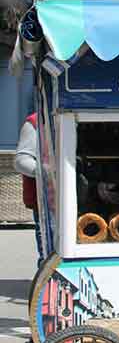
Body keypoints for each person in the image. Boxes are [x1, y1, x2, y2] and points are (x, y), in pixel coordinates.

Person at [15, 112, 43, 265]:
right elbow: (21, 161)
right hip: (45, 200)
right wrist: (48, 173)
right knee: (48, 251)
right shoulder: (34, 122)